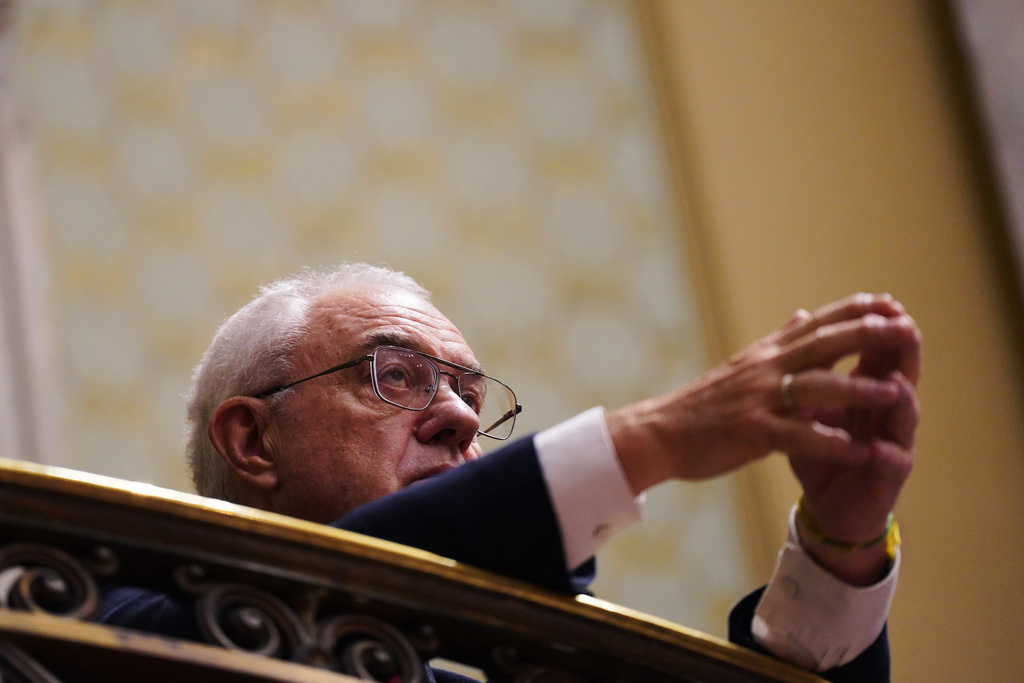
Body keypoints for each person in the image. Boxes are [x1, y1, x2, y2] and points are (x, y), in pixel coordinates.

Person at [100, 263, 920, 683]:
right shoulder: (103, 612)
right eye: (394, 373)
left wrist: (838, 546)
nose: (460, 419)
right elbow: (319, 590)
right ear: (252, 440)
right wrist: (660, 437)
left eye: (468, 393)